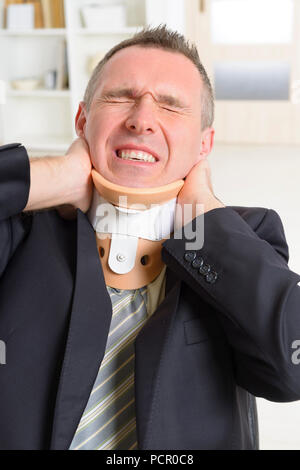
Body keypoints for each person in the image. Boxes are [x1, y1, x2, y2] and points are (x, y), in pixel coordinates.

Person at [0, 25, 300, 451]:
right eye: (121, 96)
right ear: (82, 120)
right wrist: (54, 178)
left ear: (204, 144)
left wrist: (201, 215)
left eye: (171, 106)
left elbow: (293, 363)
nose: (141, 119)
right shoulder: (23, 228)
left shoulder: (245, 237)